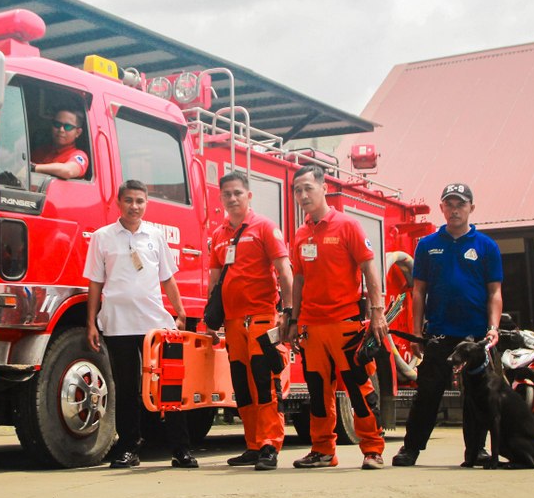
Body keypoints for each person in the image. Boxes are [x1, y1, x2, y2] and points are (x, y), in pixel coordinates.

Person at [85, 179, 196, 469]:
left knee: (168, 386)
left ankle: (180, 449)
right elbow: (95, 282)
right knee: (126, 387)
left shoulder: (155, 236)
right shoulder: (102, 237)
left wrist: (180, 312)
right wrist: (91, 323)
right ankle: (128, 448)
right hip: (117, 323)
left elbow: (168, 278)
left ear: (146, 204)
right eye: (129, 200)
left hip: (155, 324)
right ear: (118, 203)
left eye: (140, 201)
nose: (135, 206)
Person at [392, 182, 503, 468]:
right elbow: (418, 291)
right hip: (439, 333)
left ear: (471, 208)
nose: (455, 210)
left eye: (461, 204)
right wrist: (416, 332)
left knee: (476, 396)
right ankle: (411, 449)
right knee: (427, 392)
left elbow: (494, 292)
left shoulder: (486, 246)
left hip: (475, 338)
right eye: (449, 204)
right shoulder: (428, 245)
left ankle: (476, 451)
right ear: (441, 207)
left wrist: (493, 329)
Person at [286, 165, 390, 470]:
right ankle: (322, 451)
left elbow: (370, 269)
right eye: (297, 190)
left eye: (307, 188)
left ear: (323, 188)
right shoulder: (301, 235)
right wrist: (293, 321)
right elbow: (299, 281)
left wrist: (377, 311)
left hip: (346, 326)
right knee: (317, 394)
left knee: (360, 391)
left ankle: (372, 449)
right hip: (311, 329)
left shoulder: (348, 226)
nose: (302, 195)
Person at [208, 172, 293, 471]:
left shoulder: (265, 228)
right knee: (242, 386)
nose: (232, 199)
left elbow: (285, 269)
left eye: (237, 193)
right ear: (220, 199)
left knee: (265, 383)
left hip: (261, 319)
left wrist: (290, 312)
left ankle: (270, 444)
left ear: (249, 196)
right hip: (231, 323)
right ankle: (254, 444)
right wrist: (210, 319)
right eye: (227, 194)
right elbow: (215, 279)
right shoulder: (218, 235)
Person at [32, 108, 88, 179]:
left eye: (68, 127)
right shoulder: (41, 151)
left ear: (78, 132)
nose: (61, 130)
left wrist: (34, 168)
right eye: (57, 124)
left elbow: (68, 171)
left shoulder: (79, 155)